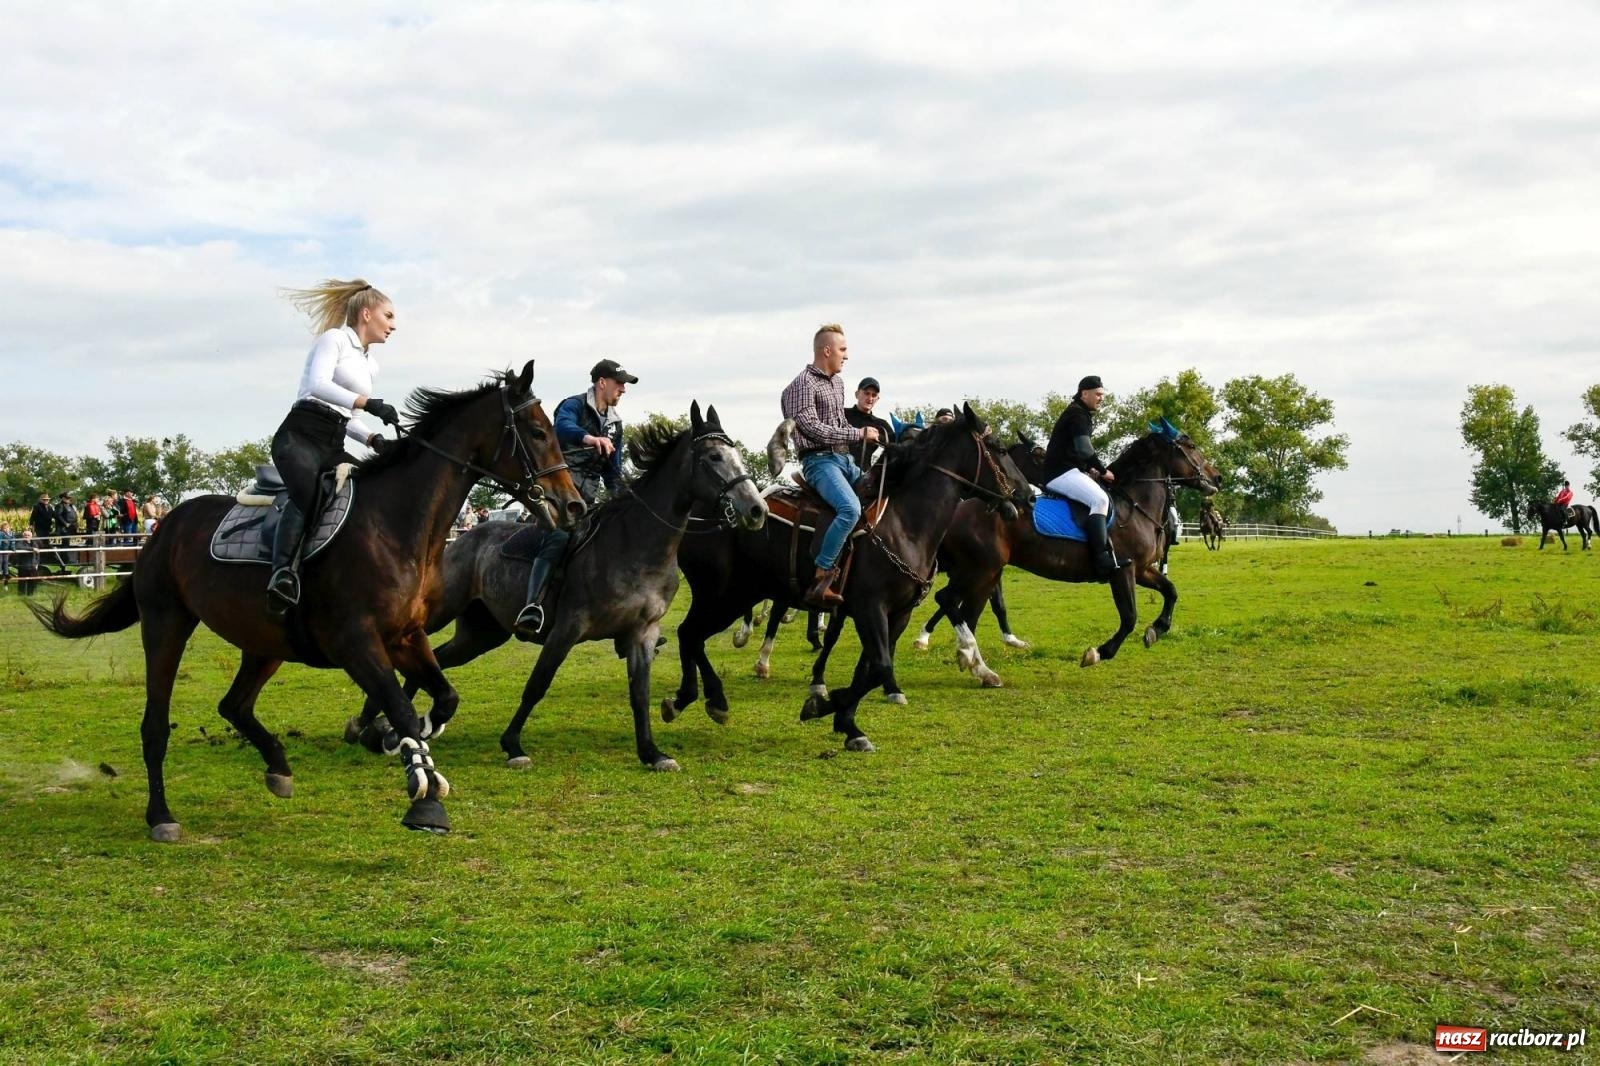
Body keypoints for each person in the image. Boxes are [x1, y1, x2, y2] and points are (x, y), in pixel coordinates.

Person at [266, 278, 401, 612]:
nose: (394, 325)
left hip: (333, 440)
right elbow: (319, 385)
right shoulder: (335, 339)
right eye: (389, 315)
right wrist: (368, 402)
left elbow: (347, 416)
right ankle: (282, 574)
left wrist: (373, 438)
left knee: (365, 494)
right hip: (299, 436)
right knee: (309, 493)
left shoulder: (371, 364)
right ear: (366, 314)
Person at [781, 324, 881, 608]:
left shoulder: (837, 383)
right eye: (843, 350)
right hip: (819, 462)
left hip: (844, 460)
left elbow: (838, 424)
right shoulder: (801, 386)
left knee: (881, 495)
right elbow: (813, 429)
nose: (846, 356)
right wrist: (859, 434)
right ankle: (822, 575)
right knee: (850, 509)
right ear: (827, 351)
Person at [1043, 375, 1120, 578]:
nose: (1101, 398)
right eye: (1098, 394)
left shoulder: (1078, 412)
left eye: (1102, 395)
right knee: (1100, 499)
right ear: (1084, 393)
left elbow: (1075, 452)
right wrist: (1103, 471)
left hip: (1067, 470)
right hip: (1060, 473)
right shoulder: (1078, 415)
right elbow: (1084, 449)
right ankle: (1102, 559)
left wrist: (1089, 469)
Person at [555, 359, 635, 508]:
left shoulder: (615, 425)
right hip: (557, 497)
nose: (623, 389)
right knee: (559, 533)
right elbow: (562, 425)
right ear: (602, 383)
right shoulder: (574, 404)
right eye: (619, 382)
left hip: (586, 503)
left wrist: (627, 500)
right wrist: (590, 439)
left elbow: (613, 474)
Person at [845, 376, 894, 469]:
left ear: (877, 399)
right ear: (857, 394)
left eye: (874, 395)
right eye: (866, 393)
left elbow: (897, 447)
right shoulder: (842, 414)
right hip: (838, 468)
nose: (870, 398)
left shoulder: (882, 425)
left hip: (864, 476)